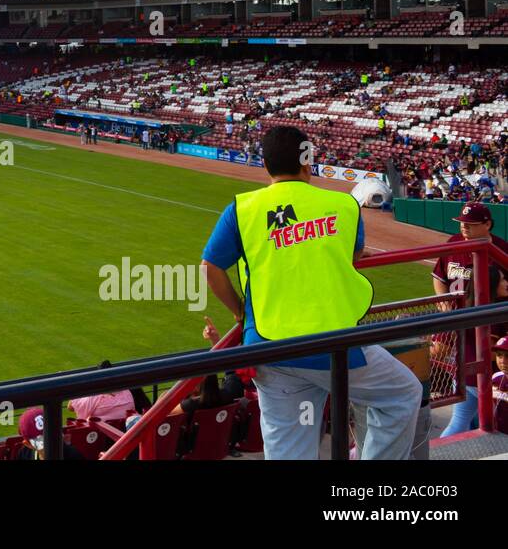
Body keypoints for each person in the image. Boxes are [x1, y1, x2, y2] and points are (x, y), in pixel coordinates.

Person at [201, 124, 421, 460]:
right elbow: (352, 254)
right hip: (333, 347)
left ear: (266, 164)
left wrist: (239, 310)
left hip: (268, 348)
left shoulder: (242, 208)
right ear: (308, 162)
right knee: (402, 395)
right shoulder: (344, 205)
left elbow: (210, 268)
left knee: (290, 450)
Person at [433, 201, 508, 436]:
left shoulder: (502, 250)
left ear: (487, 224)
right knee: (467, 405)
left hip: (487, 324)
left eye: (471, 224)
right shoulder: (453, 243)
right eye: (462, 223)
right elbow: (438, 275)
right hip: (456, 320)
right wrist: (442, 300)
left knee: (471, 404)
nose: (464, 228)